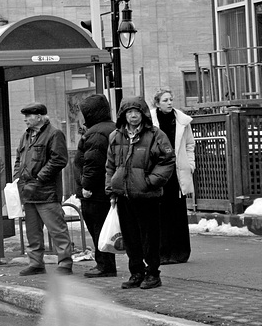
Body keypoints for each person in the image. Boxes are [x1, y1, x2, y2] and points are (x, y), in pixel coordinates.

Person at [106, 96, 175, 289]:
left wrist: (150, 182)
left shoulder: (155, 134)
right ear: (123, 115)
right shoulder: (115, 136)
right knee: (130, 238)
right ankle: (136, 272)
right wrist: (111, 187)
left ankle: (153, 273)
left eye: (137, 112)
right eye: (129, 112)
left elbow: (167, 160)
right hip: (124, 195)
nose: (133, 116)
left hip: (147, 196)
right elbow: (110, 165)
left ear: (143, 113)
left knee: (149, 237)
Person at [14, 102, 73, 276]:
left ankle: (65, 262)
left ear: (39, 117)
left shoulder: (54, 134)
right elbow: (19, 159)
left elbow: (59, 160)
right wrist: (17, 178)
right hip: (28, 190)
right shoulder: (26, 136)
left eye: (28, 116)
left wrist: (38, 179)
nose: (25, 119)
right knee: (32, 231)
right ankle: (36, 263)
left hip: (46, 192)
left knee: (57, 229)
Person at [74, 94, 117, 278]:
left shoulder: (96, 133)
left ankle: (104, 265)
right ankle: (105, 264)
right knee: (102, 227)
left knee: (98, 227)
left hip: (95, 192)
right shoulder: (110, 127)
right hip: (104, 190)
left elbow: (93, 162)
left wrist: (86, 186)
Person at [150, 89, 195, 265]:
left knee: (178, 213)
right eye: (165, 100)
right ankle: (162, 253)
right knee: (160, 213)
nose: (169, 102)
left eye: (171, 99)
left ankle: (180, 253)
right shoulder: (150, 121)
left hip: (177, 172)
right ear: (157, 103)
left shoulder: (182, 121)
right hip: (159, 171)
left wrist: (190, 164)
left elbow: (190, 144)